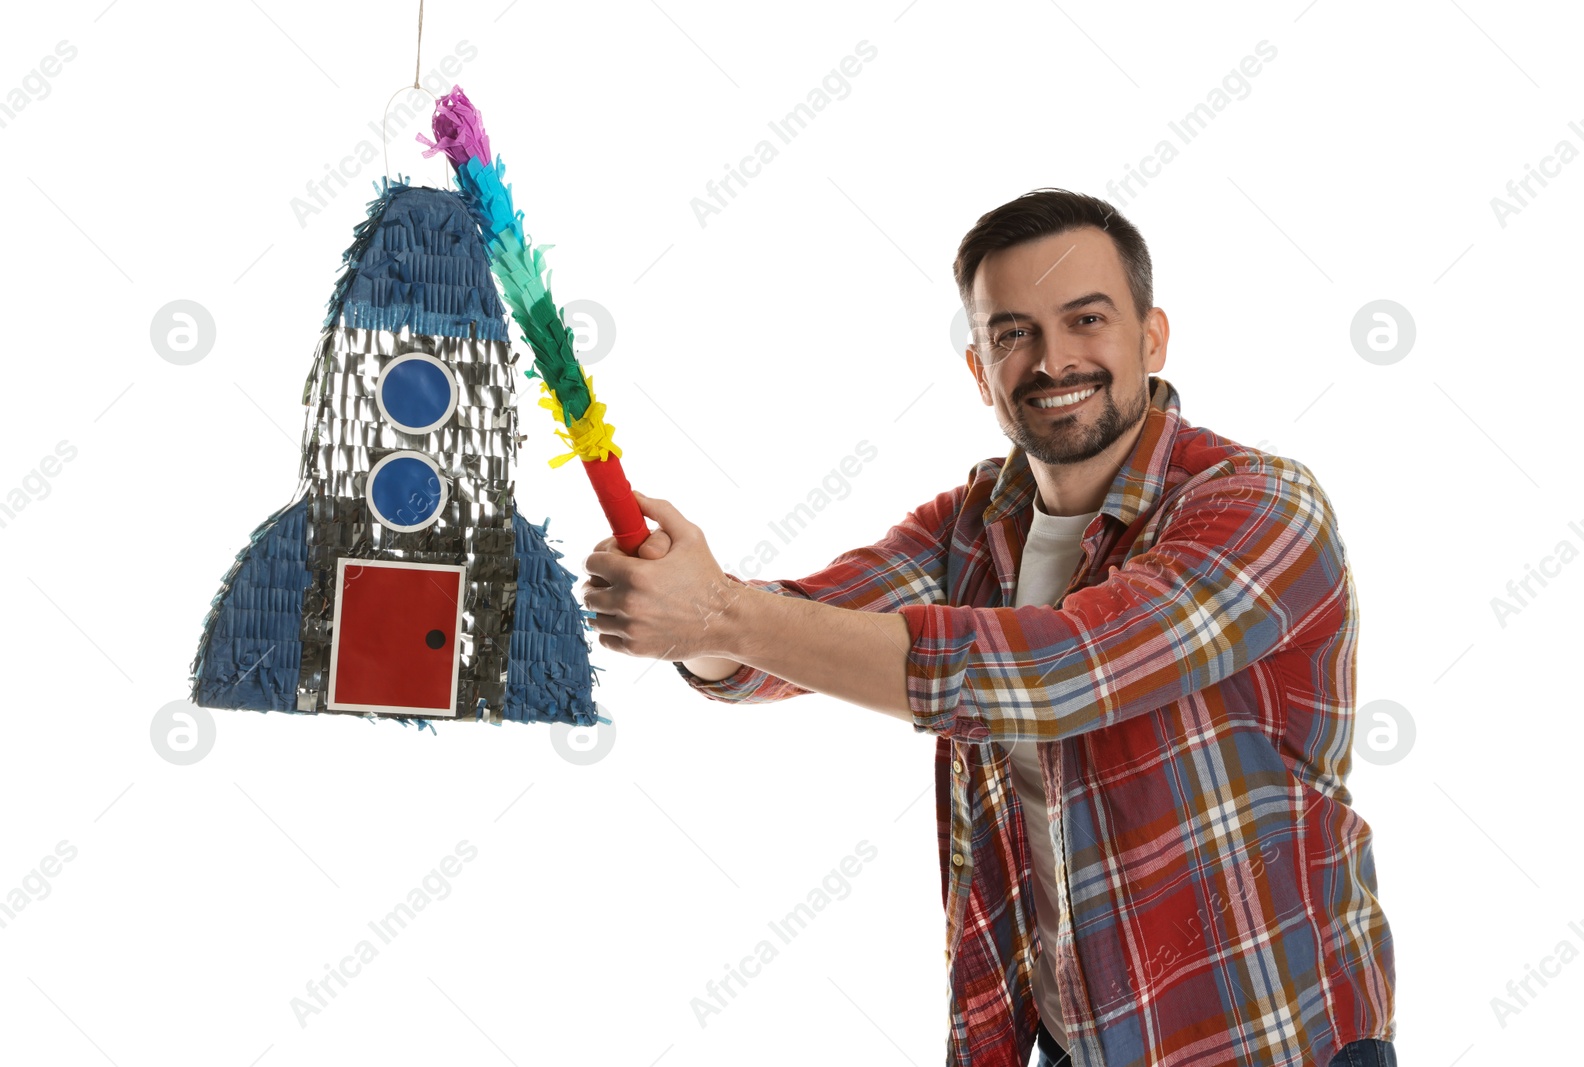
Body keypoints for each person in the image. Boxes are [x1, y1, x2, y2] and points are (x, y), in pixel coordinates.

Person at [581, 188, 1397, 1067]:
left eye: (1087, 319)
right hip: (1057, 1042)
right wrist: (688, 611)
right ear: (980, 371)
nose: (1053, 359)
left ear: (1152, 338)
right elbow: (778, 644)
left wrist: (720, 613)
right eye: (1013, 333)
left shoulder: (1261, 505)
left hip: (1266, 1045)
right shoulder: (974, 523)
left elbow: (1053, 676)